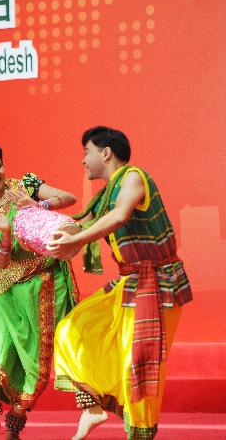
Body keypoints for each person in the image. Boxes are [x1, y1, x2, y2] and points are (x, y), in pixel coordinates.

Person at [47, 126, 192, 440]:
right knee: (72, 330)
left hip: (157, 285)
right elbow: (81, 223)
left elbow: (120, 216)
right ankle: (93, 408)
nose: (83, 160)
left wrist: (77, 241)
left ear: (106, 152)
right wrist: (33, 220)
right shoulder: (105, 193)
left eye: (86, 152)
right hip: (130, 284)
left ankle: (140, 434)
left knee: (139, 364)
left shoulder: (133, 178)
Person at [0, 140, 80, 440]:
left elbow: (69, 197)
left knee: (31, 358)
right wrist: (4, 232)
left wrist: (39, 205)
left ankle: (15, 418)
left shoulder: (24, 186)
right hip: (3, 289)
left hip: (40, 282)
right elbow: (0, 262)